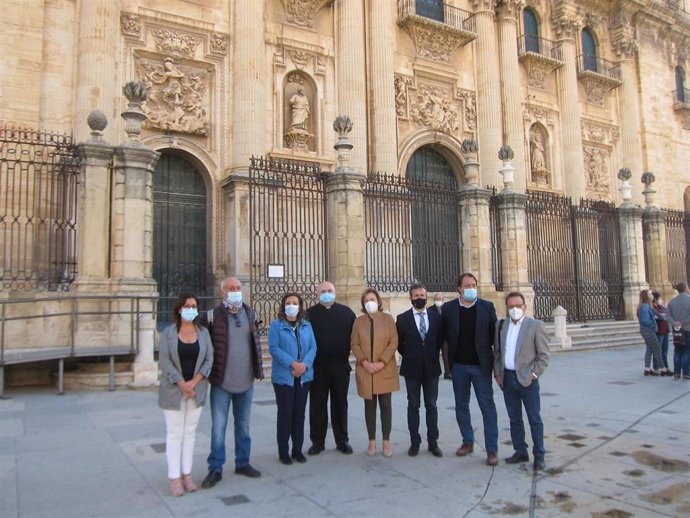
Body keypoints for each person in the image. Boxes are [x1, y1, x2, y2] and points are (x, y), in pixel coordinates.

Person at [200, 277, 264, 489]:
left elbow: (254, 344)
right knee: (219, 427)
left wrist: (257, 370)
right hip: (221, 382)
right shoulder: (211, 316)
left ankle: (243, 462)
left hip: (246, 380)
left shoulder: (249, 313)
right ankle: (215, 468)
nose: (236, 291)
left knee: (243, 425)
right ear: (223, 293)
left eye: (238, 288)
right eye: (231, 288)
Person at [158, 293, 214, 496]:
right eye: (187, 305)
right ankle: (174, 478)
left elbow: (209, 359)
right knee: (174, 434)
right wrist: (183, 384)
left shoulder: (203, 333)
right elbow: (164, 362)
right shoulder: (168, 333)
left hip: (196, 389)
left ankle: (187, 475)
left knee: (190, 433)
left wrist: (195, 382)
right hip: (174, 390)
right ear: (179, 309)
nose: (191, 309)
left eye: (194, 306)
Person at [442, 273, 499, 466]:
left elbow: (494, 338)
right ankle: (467, 441)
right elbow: (444, 337)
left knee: (487, 407)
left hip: (481, 367)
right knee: (461, 405)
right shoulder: (449, 309)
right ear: (459, 288)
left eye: (473, 285)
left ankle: (492, 449)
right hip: (459, 367)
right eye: (467, 285)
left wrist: (495, 367)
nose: (471, 288)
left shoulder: (487, 307)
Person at [494, 292, 550, 471]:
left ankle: (539, 454)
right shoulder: (501, 325)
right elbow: (498, 352)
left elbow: (543, 355)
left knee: (534, 418)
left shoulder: (535, 326)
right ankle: (520, 450)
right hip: (508, 378)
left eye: (518, 306)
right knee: (514, 418)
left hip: (527, 379)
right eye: (511, 306)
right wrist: (498, 374)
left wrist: (534, 374)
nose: (514, 309)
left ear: (524, 307)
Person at [306, 281, 357, 455]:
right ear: (317, 294)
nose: (327, 293)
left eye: (330, 291)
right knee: (317, 405)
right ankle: (317, 442)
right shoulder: (309, 314)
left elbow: (356, 338)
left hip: (340, 366)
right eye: (323, 291)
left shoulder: (347, 313)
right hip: (317, 367)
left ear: (335, 293)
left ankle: (342, 440)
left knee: (340, 404)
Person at [268, 293, 317, 465]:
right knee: (285, 413)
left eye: (295, 303)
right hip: (284, 377)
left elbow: (313, 347)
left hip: (304, 377)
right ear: (283, 306)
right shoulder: (276, 325)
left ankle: (297, 449)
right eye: (288, 303)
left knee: (299, 414)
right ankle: (283, 452)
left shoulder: (306, 325)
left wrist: (304, 365)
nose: (291, 305)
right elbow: (274, 348)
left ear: (300, 306)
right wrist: (293, 364)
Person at [351, 288, 400, 457]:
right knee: (369, 407)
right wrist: (365, 362)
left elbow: (393, 342)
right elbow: (355, 344)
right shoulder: (359, 322)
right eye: (366, 300)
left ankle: (386, 441)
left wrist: (381, 362)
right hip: (366, 370)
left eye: (372, 299)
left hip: (384, 369)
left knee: (386, 406)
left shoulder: (388, 319)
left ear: (378, 301)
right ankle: (371, 441)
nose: (369, 302)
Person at [396, 283, 443, 458]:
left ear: (426, 297)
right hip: (412, 368)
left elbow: (439, 340)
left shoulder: (436, 317)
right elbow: (400, 344)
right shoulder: (402, 319)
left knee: (431, 405)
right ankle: (414, 442)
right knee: (413, 405)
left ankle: (433, 442)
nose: (419, 298)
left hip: (431, 367)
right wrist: (411, 354)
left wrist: (428, 353)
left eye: (422, 295)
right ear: (410, 298)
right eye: (416, 296)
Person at [637, 289, 670, 376]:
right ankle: (663, 369)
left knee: (650, 349)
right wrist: (654, 327)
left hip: (646, 330)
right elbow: (645, 320)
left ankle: (647, 369)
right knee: (657, 349)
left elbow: (657, 313)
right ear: (646, 296)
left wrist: (663, 317)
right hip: (648, 330)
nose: (652, 295)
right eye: (650, 294)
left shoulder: (647, 306)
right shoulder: (644, 307)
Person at [667, 283, 690, 380]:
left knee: (677, 351)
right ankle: (685, 373)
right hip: (687, 329)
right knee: (686, 351)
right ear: (685, 289)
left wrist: (674, 323)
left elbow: (667, 314)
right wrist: (682, 322)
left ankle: (676, 373)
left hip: (676, 330)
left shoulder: (672, 301)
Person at [428, 292, 451, 379]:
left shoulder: (447, 309)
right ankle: (435, 372)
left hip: (445, 336)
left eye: (440, 299)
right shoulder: (430, 309)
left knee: (446, 355)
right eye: (437, 299)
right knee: (435, 355)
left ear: (443, 300)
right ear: (434, 300)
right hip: (435, 336)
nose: (438, 300)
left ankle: (448, 372)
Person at [652, 291, 670, 372]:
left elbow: (668, 314)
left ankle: (665, 366)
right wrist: (663, 316)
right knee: (658, 350)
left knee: (665, 350)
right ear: (655, 299)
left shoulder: (661, 307)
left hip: (665, 330)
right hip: (659, 331)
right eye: (659, 298)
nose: (661, 300)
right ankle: (656, 367)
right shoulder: (652, 308)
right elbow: (658, 317)